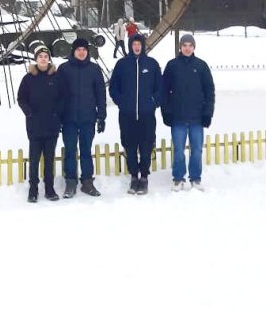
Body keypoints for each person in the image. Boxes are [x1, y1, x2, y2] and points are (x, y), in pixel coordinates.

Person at [108, 31, 162, 194]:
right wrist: (122, 102)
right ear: (130, 46)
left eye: (139, 44)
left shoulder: (152, 64)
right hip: (127, 114)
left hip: (146, 114)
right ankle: (133, 176)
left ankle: (144, 176)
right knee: (130, 146)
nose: (137, 47)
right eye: (134, 44)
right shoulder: (122, 64)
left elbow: (160, 87)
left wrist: (153, 102)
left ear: (143, 46)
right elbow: (113, 87)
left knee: (146, 145)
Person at [161, 33, 215, 191]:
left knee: (196, 150)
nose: (187, 48)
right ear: (180, 47)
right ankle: (178, 178)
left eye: (190, 45)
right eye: (184, 45)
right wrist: (167, 112)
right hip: (178, 117)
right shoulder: (172, 65)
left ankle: (196, 178)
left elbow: (209, 91)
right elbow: (164, 92)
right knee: (178, 150)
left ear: (194, 47)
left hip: (197, 118)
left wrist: (207, 113)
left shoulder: (201, 66)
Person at [55, 37, 106, 197]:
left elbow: (100, 94)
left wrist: (101, 116)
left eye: (84, 49)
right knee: (70, 151)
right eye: (78, 50)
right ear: (73, 51)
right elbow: (58, 94)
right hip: (68, 118)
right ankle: (70, 181)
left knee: (86, 150)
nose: (82, 52)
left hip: (87, 117)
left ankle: (87, 181)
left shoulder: (94, 69)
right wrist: (58, 117)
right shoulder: (64, 69)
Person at [17, 46, 61, 203]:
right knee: (34, 159)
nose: (43, 58)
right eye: (40, 56)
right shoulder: (28, 78)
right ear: (36, 59)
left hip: (51, 125)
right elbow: (21, 98)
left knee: (49, 160)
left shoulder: (56, 77)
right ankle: (33, 190)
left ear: (49, 58)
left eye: (45, 56)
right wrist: (29, 112)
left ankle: (49, 188)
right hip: (35, 125)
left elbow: (62, 98)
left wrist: (58, 114)